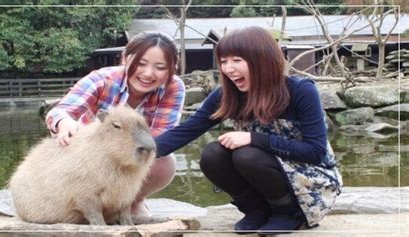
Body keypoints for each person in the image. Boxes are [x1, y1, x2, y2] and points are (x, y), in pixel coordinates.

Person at [154, 26, 342, 234]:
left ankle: (287, 213)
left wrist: (253, 138)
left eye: (237, 60)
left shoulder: (301, 90)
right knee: (212, 154)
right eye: (224, 61)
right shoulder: (227, 94)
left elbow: (315, 152)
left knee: (247, 155)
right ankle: (256, 210)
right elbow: (188, 130)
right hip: (264, 170)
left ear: (262, 59)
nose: (228, 68)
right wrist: (140, 153)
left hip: (309, 182)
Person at [45, 31, 185, 218]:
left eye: (160, 67)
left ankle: (132, 200)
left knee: (164, 161)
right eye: (141, 63)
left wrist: (126, 148)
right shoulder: (102, 79)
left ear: (172, 68)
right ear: (125, 59)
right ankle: (84, 204)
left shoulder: (174, 87)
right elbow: (60, 111)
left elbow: (162, 133)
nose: (148, 73)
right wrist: (65, 122)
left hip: (133, 155)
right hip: (88, 157)